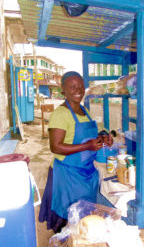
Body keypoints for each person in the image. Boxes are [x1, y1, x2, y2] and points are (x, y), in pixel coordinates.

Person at [39, 71, 113, 233]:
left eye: (80, 86)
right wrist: (87, 146)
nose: (78, 90)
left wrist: (104, 136)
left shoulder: (84, 110)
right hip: (66, 176)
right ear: (63, 90)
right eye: (72, 87)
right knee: (66, 221)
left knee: (83, 219)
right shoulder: (60, 113)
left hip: (85, 173)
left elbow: (95, 130)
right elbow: (56, 146)